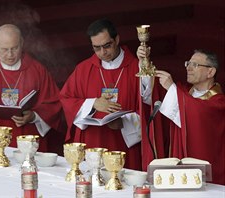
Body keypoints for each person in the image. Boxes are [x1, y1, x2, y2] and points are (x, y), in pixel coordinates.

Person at [60, 18, 165, 170]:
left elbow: (150, 105)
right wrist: (93, 103)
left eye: (107, 46)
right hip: (93, 141)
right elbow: (66, 99)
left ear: (116, 39)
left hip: (124, 145)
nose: (103, 52)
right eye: (97, 48)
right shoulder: (83, 69)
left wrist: (124, 122)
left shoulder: (137, 67)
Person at [0, 24, 64, 153]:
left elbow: (53, 103)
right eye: (4, 49)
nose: (10, 54)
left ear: (22, 43)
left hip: (27, 138)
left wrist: (34, 116)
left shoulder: (37, 70)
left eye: (14, 48)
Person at [155, 49, 225, 185]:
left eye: (195, 65)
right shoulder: (184, 94)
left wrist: (171, 89)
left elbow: (200, 111)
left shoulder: (219, 102)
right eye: (188, 63)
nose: (188, 68)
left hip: (208, 174)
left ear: (210, 72)